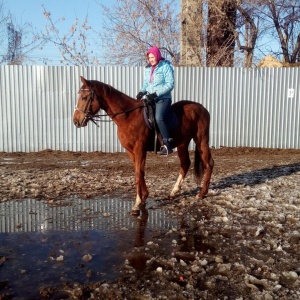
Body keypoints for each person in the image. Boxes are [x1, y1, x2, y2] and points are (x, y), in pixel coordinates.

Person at [136, 46, 175, 156]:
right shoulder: (148, 68)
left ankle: (168, 144)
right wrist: (141, 92)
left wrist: (156, 94)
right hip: (149, 98)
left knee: (158, 117)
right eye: (149, 58)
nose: (151, 59)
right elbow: (145, 83)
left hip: (163, 98)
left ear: (157, 55)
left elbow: (170, 84)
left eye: (152, 57)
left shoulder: (166, 66)